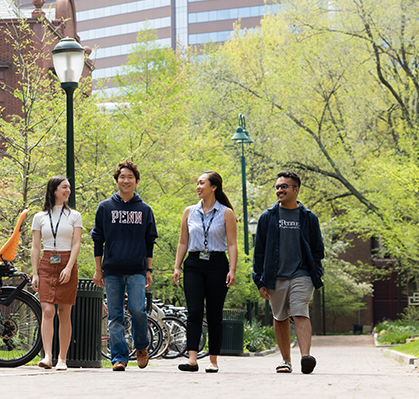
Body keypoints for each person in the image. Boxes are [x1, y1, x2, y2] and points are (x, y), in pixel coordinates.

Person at [252, 170, 324, 375]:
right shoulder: (268, 217)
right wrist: (259, 280)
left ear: (296, 190)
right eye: (277, 187)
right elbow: (259, 251)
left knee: (300, 310)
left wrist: (314, 271)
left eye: (284, 186)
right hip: (276, 275)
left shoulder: (309, 218)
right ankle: (286, 360)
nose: (279, 190)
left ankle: (305, 357)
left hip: (302, 274)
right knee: (280, 316)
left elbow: (318, 249)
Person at [91, 160, 158, 371]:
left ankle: (141, 346)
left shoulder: (144, 210)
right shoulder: (105, 207)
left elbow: (150, 242)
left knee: (138, 310)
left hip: (137, 269)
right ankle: (119, 358)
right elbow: (97, 240)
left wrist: (148, 269)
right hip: (112, 270)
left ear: (136, 181)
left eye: (130, 177)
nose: (125, 180)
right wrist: (98, 269)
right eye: (122, 177)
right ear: (117, 180)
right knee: (115, 316)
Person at [172, 171, 238, 372]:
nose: (198, 186)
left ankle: (213, 360)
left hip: (217, 265)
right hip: (193, 264)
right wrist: (177, 266)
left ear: (214, 187)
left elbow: (232, 244)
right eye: (197, 183)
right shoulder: (189, 211)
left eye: (202, 183)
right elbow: (183, 241)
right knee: (194, 312)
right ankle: (192, 359)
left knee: (214, 314)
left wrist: (232, 269)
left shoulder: (226, 212)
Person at [31, 176, 82, 371]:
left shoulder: (74, 216)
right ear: (53, 190)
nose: (68, 191)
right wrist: (35, 273)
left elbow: (76, 243)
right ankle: (48, 356)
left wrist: (69, 267)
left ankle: (62, 358)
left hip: (66, 261)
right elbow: (35, 247)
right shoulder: (39, 217)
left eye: (69, 187)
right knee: (47, 311)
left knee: (64, 313)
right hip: (46, 263)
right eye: (64, 187)